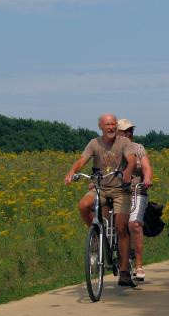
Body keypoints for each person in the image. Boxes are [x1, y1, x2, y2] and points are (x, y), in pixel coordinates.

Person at [64, 113, 136, 287]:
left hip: (120, 190)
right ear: (100, 127)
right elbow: (82, 160)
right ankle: (96, 234)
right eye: (107, 125)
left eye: (113, 124)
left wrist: (127, 172)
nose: (111, 127)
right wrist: (71, 172)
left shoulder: (124, 142)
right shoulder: (94, 143)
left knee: (121, 228)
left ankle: (125, 271)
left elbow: (131, 160)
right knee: (83, 205)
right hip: (100, 188)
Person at [117, 118, 153, 282]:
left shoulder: (138, 148)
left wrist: (147, 179)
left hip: (136, 191)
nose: (129, 133)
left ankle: (138, 265)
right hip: (117, 192)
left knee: (134, 224)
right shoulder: (112, 150)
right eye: (125, 131)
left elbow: (146, 167)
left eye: (131, 130)